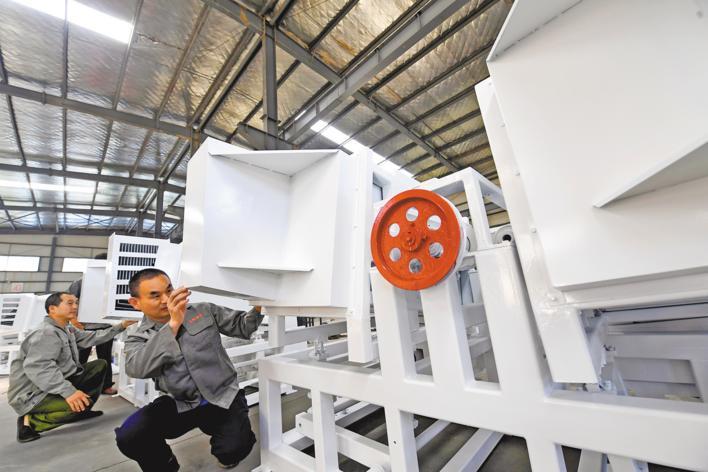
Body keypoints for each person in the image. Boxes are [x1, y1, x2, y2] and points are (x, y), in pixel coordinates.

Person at [114, 268, 263, 471]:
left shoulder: (203, 311)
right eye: (155, 296)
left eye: (169, 290)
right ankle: (165, 465)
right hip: (178, 402)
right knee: (131, 435)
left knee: (233, 448)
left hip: (222, 395)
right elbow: (137, 368)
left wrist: (259, 305)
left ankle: (230, 447)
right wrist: (173, 325)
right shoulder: (138, 338)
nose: (166, 299)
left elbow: (242, 326)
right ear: (136, 303)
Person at [7, 292, 135, 443]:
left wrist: (122, 326)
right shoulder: (46, 333)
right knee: (75, 406)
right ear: (52, 309)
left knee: (99, 366)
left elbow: (93, 337)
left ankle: (82, 410)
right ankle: (30, 422)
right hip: (33, 394)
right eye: (69, 303)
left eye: (76, 303)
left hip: (52, 384)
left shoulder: (66, 328)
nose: (75, 306)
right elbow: (40, 369)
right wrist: (69, 392)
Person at [67, 253, 117, 395]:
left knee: (105, 357)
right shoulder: (80, 282)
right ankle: (76, 387)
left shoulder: (112, 283)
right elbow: (69, 301)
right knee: (80, 358)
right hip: (83, 327)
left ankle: (106, 385)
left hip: (106, 327)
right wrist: (73, 319)